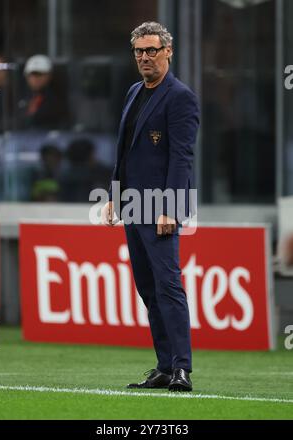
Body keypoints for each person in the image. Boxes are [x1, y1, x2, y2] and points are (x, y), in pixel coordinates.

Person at [102, 22, 200, 392]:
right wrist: (114, 194)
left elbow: (182, 158)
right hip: (132, 204)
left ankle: (182, 369)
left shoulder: (181, 97)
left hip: (161, 208)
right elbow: (123, 150)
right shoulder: (133, 92)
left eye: (152, 50)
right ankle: (163, 366)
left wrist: (171, 208)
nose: (145, 57)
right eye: (140, 51)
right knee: (148, 288)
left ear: (168, 52)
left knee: (168, 285)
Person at [17, 54, 69, 130]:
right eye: (31, 75)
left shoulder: (56, 100)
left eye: (39, 74)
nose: (35, 79)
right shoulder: (22, 97)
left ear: (49, 76)